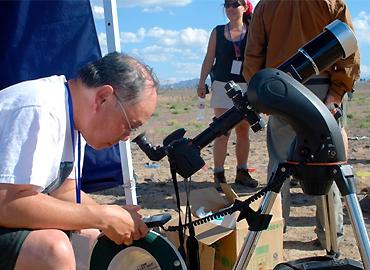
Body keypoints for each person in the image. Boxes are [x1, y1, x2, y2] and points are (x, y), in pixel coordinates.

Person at [0, 52, 158, 269]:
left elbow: (64, 192)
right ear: (103, 97)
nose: (126, 136)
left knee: (93, 237)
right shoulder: (40, 109)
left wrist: (113, 217)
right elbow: (7, 202)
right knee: (52, 250)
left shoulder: (73, 117)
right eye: (129, 124)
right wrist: (101, 216)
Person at [243, 0, 360, 249]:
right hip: (323, 90)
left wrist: (261, 94)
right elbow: (349, 48)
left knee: (279, 165)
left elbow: (253, 52)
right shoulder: (332, 1)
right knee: (328, 161)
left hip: (281, 88)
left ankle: (273, 234)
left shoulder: (267, 5)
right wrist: (336, 93)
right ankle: (330, 238)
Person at [197, 0, 258, 189]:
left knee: (243, 130)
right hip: (223, 85)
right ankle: (219, 174)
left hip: (247, 85)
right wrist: (201, 82)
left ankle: (242, 171)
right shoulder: (218, 31)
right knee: (222, 131)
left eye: (236, 4)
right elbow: (209, 57)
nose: (231, 8)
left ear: (245, 7)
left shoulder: (254, 30)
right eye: (227, 4)